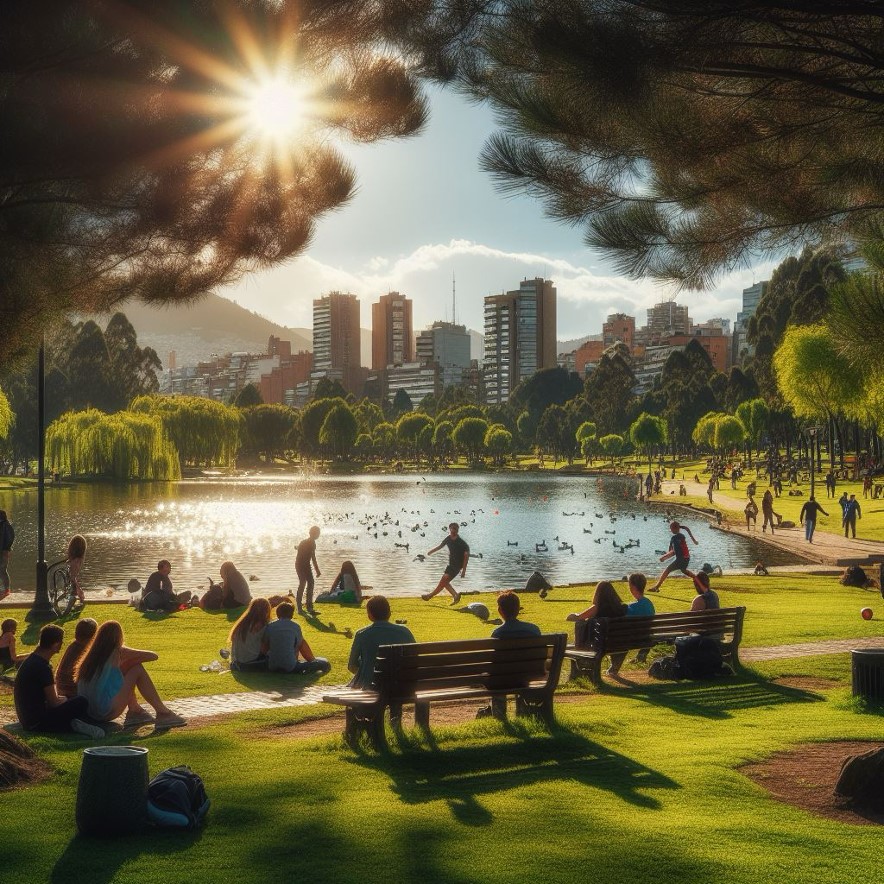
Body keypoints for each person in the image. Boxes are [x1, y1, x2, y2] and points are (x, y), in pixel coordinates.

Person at [76, 620, 186, 727]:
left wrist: (127, 663)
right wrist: (132, 660)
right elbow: (153, 656)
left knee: (127, 668)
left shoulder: (91, 656)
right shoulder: (118, 651)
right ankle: (163, 713)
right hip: (104, 711)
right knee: (137, 669)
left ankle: (135, 710)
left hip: (89, 712)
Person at [13, 624, 105, 738]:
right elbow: (54, 702)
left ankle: (69, 723)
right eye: (61, 643)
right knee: (81, 701)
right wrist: (66, 699)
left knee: (70, 700)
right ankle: (71, 724)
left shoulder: (31, 661)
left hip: (27, 719)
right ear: (55, 645)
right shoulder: (42, 667)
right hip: (38, 722)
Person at [478, 590, 542, 718]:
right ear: (518, 609)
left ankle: (499, 715)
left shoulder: (497, 633)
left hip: (503, 679)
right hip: (528, 675)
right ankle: (524, 712)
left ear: (500, 611)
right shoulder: (534, 630)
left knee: (497, 677)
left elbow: (494, 662)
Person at [347, 595, 415, 690]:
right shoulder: (405, 631)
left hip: (372, 686)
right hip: (402, 685)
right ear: (389, 613)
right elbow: (414, 660)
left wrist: (365, 669)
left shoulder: (362, 634)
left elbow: (351, 666)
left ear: (370, 615)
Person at [263, 602, 331, 675]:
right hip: (291, 666)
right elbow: (300, 645)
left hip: (272, 665)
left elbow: (264, 645)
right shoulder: (295, 626)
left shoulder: (270, 626)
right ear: (291, 614)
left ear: (277, 613)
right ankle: (310, 665)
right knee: (324, 663)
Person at [609, 574, 655, 673]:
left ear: (633, 587)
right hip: (647, 637)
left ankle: (614, 668)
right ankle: (641, 655)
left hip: (631, 638)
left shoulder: (630, 608)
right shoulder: (649, 603)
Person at [422, 522, 470, 605]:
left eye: (456, 529)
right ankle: (455, 595)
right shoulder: (448, 538)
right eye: (452, 528)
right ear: (450, 529)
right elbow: (440, 546)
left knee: (444, 581)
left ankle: (430, 596)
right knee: (444, 583)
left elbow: (466, 555)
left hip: (457, 565)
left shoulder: (462, 543)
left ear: (458, 530)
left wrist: (464, 570)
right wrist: (431, 551)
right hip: (451, 565)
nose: (454, 530)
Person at [55, 617, 98, 698]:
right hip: (73, 693)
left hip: (61, 689)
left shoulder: (73, 645)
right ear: (93, 635)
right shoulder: (86, 650)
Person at [649, 521, 698, 591]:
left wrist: (664, 557)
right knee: (683, 570)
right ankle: (697, 579)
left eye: (671, 528)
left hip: (681, 559)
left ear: (674, 529)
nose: (670, 530)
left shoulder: (675, 538)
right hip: (686, 558)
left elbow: (673, 552)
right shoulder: (682, 536)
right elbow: (677, 550)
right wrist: (666, 556)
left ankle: (656, 587)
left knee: (667, 570)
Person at [228, 598, 272, 671]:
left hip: (236, 662)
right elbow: (264, 649)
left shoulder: (241, 623)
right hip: (251, 662)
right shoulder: (263, 625)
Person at [295, 526, 321, 616]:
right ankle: (299, 608)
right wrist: (317, 571)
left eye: (319, 533)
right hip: (300, 565)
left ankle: (309, 607)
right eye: (317, 533)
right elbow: (313, 558)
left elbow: (311, 557)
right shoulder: (308, 543)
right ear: (312, 533)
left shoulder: (310, 543)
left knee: (311, 583)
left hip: (306, 565)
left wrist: (317, 570)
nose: (318, 535)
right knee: (302, 583)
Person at [67, 534, 88, 605]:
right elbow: (72, 576)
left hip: (64, 583)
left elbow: (72, 576)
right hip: (68, 587)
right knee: (74, 593)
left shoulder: (69, 560)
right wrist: (79, 590)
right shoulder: (77, 561)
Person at [0, 509, 14, 600]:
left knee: (2, 570)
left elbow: (10, 538)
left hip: (4, 551)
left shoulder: (6, 525)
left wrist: (6, 549)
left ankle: (6, 589)